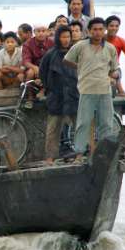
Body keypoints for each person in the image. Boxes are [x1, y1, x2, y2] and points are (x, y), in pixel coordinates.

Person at [64, 17, 120, 163]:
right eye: (94, 29)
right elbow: (67, 60)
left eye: (101, 29)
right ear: (89, 31)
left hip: (104, 90)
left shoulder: (110, 48)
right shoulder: (80, 46)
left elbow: (115, 69)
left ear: (104, 30)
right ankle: (79, 154)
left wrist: (114, 75)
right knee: (83, 122)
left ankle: (104, 154)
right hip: (86, 89)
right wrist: (81, 68)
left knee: (106, 123)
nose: (98, 32)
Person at [40, 26, 79, 165]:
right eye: (63, 37)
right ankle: (50, 157)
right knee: (53, 129)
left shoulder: (76, 52)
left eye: (68, 36)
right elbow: (42, 73)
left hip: (73, 95)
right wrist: (50, 89)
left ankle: (80, 154)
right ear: (58, 38)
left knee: (79, 126)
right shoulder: (50, 55)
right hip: (56, 97)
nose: (66, 39)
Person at [20, 23, 54, 108]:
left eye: (43, 31)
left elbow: (54, 59)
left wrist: (43, 69)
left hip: (47, 68)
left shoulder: (52, 42)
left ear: (47, 32)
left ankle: (43, 91)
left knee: (53, 69)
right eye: (38, 31)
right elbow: (26, 61)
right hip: (33, 69)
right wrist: (35, 67)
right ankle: (30, 98)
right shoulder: (27, 44)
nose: (41, 33)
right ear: (34, 32)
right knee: (30, 72)